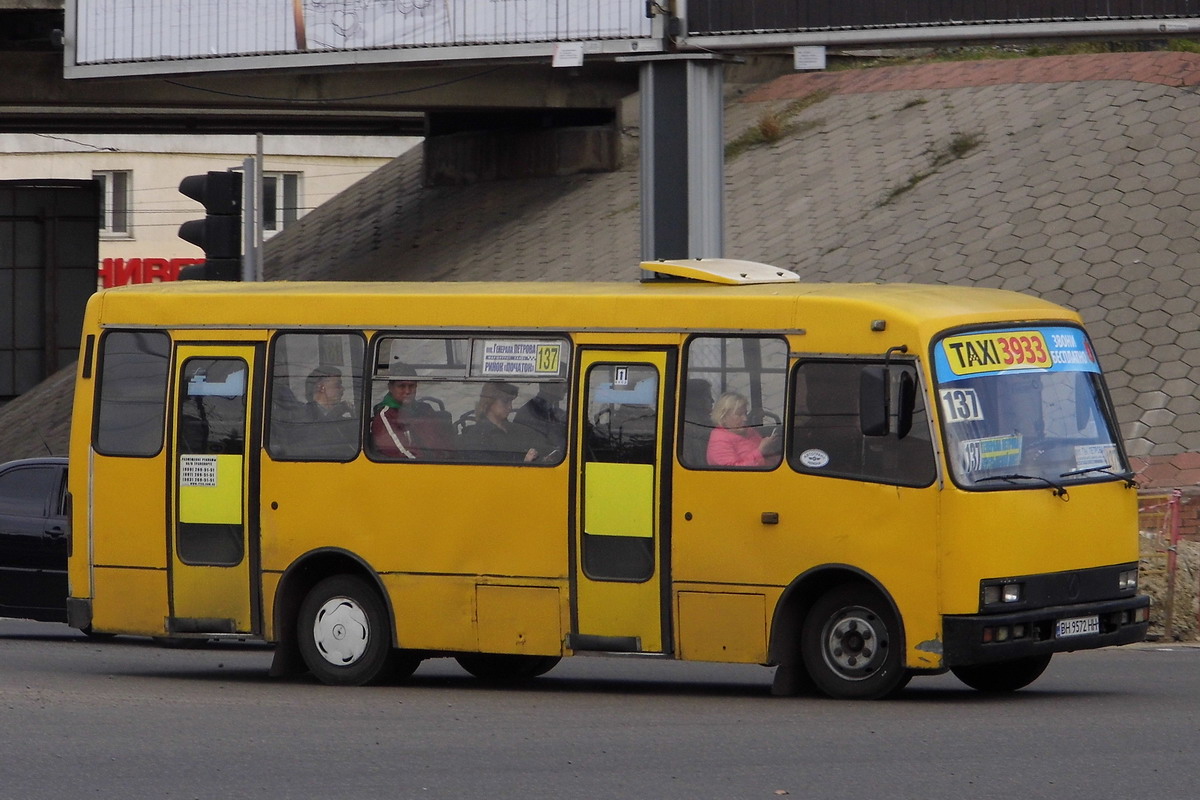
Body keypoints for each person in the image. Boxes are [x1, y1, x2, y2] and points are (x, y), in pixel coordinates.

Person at [370, 365, 453, 460]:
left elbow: (443, 441)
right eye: (401, 386)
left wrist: (451, 459)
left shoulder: (425, 409)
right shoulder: (385, 416)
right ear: (390, 388)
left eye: (411, 386)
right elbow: (403, 454)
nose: (407, 391)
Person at [461, 382, 540, 463]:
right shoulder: (477, 437)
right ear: (489, 402)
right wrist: (525, 463)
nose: (510, 407)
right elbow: (489, 471)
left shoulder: (514, 429)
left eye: (511, 402)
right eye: (505, 402)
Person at [706, 391, 780, 468]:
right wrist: (760, 451)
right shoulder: (719, 440)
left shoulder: (749, 431)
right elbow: (733, 472)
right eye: (739, 414)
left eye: (745, 413)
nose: (745, 418)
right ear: (723, 417)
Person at [513, 381, 567, 454]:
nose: (565, 387)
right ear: (546, 386)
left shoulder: (558, 412)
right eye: (560, 383)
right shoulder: (530, 413)